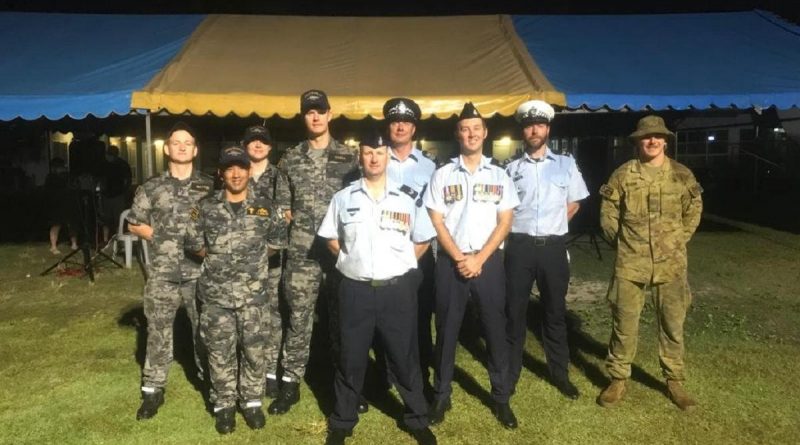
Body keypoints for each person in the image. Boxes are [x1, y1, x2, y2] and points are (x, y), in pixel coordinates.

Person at [318, 131, 437, 445]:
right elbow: (330, 235)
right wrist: (348, 257)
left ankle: (417, 418)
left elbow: (423, 238)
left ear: (387, 157)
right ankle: (343, 420)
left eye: (379, 153)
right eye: (368, 152)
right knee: (350, 357)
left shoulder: (406, 198)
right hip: (354, 290)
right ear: (361, 157)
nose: (373, 158)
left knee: (404, 356)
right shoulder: (344, 198)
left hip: (395, 292)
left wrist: (402, 264)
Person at [423, 102, 520, 429]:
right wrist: (459, 257)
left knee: (495, 330)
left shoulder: (500, 175)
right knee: (446, 332)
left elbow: (506, 220)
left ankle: (501, 397)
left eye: (476, 128)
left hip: (488, 262)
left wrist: (479, 258)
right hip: (451, 263)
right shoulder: (442, 174)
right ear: (457, 133)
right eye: (465, 129)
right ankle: (440, 395)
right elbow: (436, 220)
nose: (471, 134)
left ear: (485, 133)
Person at [597, 115, 703, 411]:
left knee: (672, 324)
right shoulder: (623, 175)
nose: (653, 141)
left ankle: (674, 380)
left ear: (666, 141)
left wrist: (677, 239)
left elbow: (693, 209)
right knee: (624, 323)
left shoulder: (682, 175)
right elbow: (607, 212)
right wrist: (621, 243)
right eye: (647, 137)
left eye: (658, 136)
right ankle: (618, 378)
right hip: (631, 264)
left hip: (671, 265)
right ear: (637, 142)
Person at [186, 145, 286, 434]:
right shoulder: (204, 207)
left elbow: (276, 242)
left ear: (248, 170)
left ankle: (252, 402)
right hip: (216, 297)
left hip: (254, 295)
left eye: (240, 167)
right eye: (229, 168)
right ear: (221, 173)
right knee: (220, 352)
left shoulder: (267, 207)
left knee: (255, 351)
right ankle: (224, 405)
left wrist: (247, 260)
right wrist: (222, 259)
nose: (235, 173)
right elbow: (194, 244)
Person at [271, 89, 359, 415]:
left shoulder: (350, 158)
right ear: (303, 116)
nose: (315, 116)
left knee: (343, 322)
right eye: (309, 112)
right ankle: (290, 385)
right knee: (298, 320)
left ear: (330, 114)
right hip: (302, 255)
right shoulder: (291, 159)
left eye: (320, 110)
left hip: (340, 254)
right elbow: (282, 208)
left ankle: (346, 388)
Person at [127, 122, 214, 420]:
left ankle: (210, 383)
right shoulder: (151, 187)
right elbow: (134, 222)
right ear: (166, 148)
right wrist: (156, 236)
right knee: (157, 331)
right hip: (162, 272)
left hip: (199, 272)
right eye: (176, 142)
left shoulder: (209, 186)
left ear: (195, 149)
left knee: (205, 328)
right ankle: (153, 389)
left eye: (187, 143)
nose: (181, 147)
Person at [504, 100, 589, 401]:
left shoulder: (566, 164)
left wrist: (554, 223)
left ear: (547, 129)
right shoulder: (511, 169)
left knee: (554, 314)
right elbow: (504, 210)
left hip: (552, 248)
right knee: (514, 314)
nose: (534, 129)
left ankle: (559, 374)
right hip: (519, 247)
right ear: (523, 132)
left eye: (539, 124)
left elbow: (576, 201)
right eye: (528, 125)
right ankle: (509, 374)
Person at [383, 97, 437, 386]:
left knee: (419, 318)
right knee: (387, 319)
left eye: (406, 121)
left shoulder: (430, 168)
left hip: (420, 254)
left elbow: (434, 215)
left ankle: (421, 376)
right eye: (394, 121)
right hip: (383, 256)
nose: (400, 126)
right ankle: (389, 375)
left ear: (414, 128)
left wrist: (413, 255)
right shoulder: (376, 161)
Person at [241, 125, 290, 399]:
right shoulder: (235, 175)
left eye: (263, 141)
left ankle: (270, 373)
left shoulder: (280, 177)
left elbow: (286, 216)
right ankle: (249, 369)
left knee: (272, 315)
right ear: (245, 145)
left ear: (270, 147)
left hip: (271, 261)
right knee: (245, 316)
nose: (257, 145)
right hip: (239, 262)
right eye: (252, 141)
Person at [44, 157, 79, 254]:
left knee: (72, 223)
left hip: (68, 202)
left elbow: (73, 187)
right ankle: (53, 246)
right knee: (56, 224)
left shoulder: (67, 176)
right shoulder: (50, 177)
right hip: (56, 204)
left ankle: (74, 244)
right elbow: (48, 192)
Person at [100, 145, 132, 244]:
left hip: (118, 195)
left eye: (109, 155)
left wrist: (124, 191)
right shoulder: (104, 165)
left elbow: (127, 180)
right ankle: (106, 240)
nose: (107, 157)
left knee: (118, 218)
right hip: (107, 195)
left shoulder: (122, 165)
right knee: (106, 219)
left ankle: (118, 237)